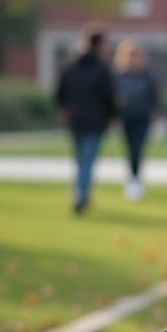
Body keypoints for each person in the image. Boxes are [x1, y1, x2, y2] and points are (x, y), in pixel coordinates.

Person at [55, 25, 115, 214]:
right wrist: (113, 115)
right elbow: (109, 96)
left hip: (76, 119)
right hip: (95, 121)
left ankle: (81, 192)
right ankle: (81, 194)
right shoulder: (102, 69)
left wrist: (64, 109)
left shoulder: (71, 66)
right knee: (87, 160)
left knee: (81, 160)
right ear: (99, 45)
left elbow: (60, 92)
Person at [112, 40, 160, 200]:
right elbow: (112, 96)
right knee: (129, 148)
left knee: (137, 147)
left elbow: (154, 96)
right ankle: (132, 178)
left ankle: (135, 179)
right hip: (126, 117)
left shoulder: (147, 75)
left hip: (142, 116)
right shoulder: (119, 75)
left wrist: (154, 110)